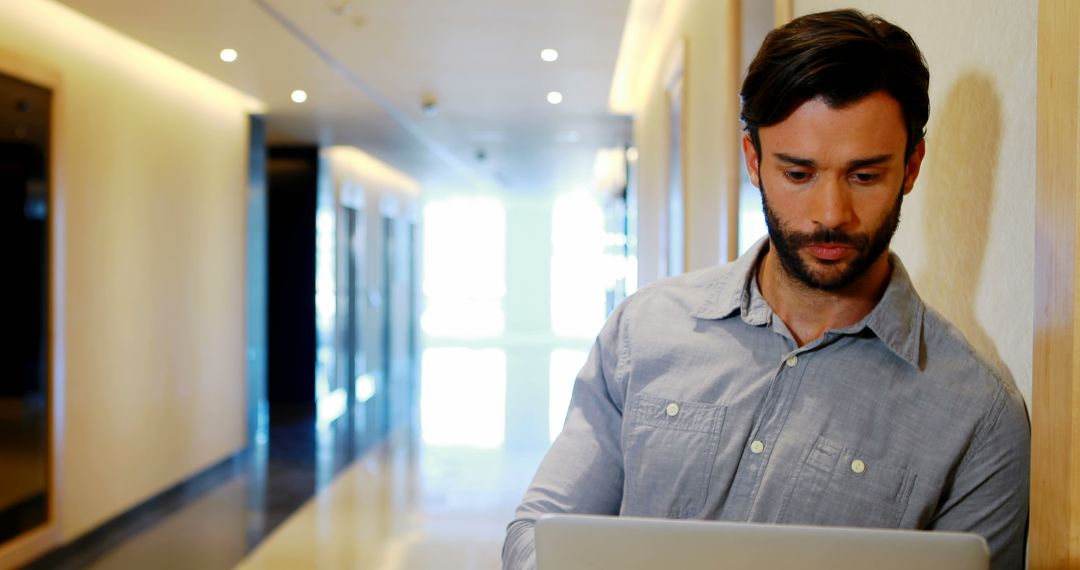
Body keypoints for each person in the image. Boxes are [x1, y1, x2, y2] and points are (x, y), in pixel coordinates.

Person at [503, 8, 1029, 570]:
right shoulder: (643, 332)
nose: (831, 214)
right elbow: (535, 537)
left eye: (865, 175)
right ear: (753, 159)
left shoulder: (979, 416)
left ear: (912, 166)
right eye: (798, 174)